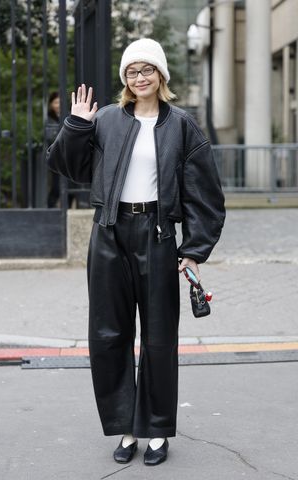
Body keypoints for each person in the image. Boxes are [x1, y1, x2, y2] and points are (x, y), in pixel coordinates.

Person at [47, 38, 225, 466]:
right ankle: (126, 429)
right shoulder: (106, 120)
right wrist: (76, 125)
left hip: (159, 235)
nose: (139, 77)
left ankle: (158, 431)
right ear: (125, 80)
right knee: (109, 336)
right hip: (109, 233)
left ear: (160, 76)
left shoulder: (182, 125)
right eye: (131, 72)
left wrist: (195, 249)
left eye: (147, 70)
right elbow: (66, 165)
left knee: (160, 338)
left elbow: (207, 195)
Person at [45, 92, 61, 208]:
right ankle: (50, 208)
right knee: (56, 186)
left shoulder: (68, 116)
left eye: (60, 102)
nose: (58, 105)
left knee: (69, 184)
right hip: (54, 156)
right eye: (55, 102)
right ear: (50, 104)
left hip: (68, 156)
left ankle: (67, 208)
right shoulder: (48, 119)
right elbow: (49, 137)